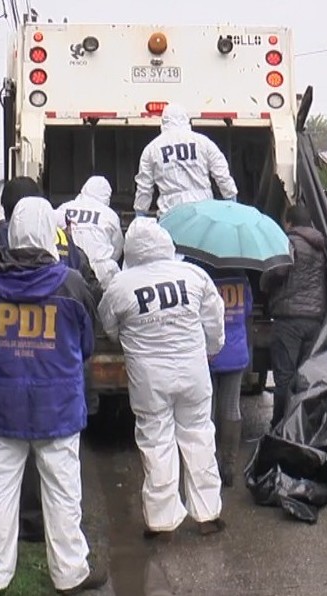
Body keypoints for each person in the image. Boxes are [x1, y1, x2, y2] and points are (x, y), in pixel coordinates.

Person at [0, 197, 108, 594]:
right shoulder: (71, 283)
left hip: (1, 404)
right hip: (56, 406)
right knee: (63, 491)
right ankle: (70, 573)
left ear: (12, 232)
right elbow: (86, 344)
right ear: (50, 231)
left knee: (0, 488)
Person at [98, 218, 227, 539]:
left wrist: (126, 336)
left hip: (150, 380)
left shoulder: (121, 285)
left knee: (156, 443)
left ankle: (162, 521)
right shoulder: (194, 275)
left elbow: (108, 325)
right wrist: (212, 348)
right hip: (193, 374)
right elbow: (214, 318)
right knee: (199, 436)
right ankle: (207, 513)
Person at [260, 205, 327, 428]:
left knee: (284, 378)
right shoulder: (321, 245)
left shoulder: (288, 242)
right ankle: (304, 427)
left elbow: (278, 271)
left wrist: (264, 282)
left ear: (289, 223)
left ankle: (279, 426)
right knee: (306, 377)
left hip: (289, 320)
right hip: (314, 320)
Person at [133, 103, 239, 219]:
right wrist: (231, 198)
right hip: (203, 211)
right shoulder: (204, 142)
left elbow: (144, 187)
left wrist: (140, 213)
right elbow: (222, 174)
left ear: (163, 122)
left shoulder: (151, 149)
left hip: (170, 213)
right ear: (186, 119)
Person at [205, 268, 252, 488]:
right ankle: (229, 466)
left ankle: (210, 464)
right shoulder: (241, 278)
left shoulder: (205, 277)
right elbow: (248, 309)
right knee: (231, 408)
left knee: (209, 410)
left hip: (210, 351)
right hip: (236, 351)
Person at [55, 176, 123, 290]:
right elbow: (117, 249)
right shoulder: (109, 214)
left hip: (67, 267)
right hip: (101, 271)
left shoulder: (64, 208)